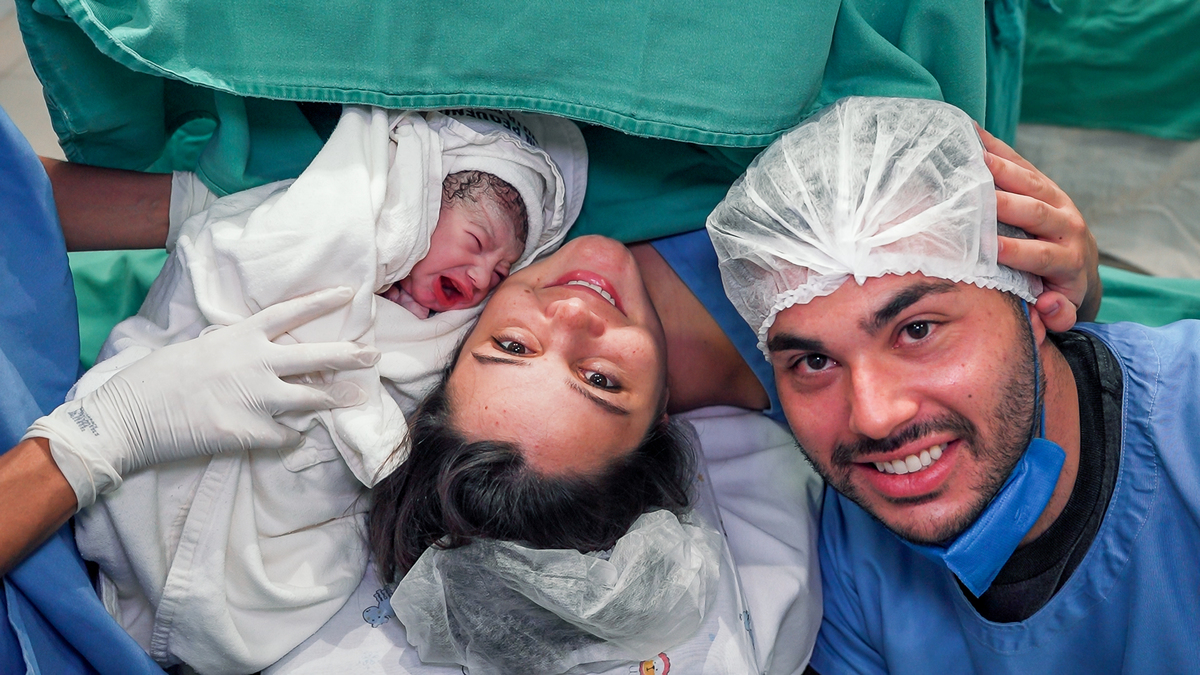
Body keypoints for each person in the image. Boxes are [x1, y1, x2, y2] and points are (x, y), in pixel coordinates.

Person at [27, 106, 587, 674]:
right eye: (475, 240)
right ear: (413, 200)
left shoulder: (441, 337)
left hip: (269, 536)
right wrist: (112, 429)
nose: (481, 275)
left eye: (500, 273)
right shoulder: (314, 226)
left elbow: (405, 419)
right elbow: (237, 265)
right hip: (153, 434)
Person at [705, 95, 1200, 673]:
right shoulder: (848, 564)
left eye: (917, 330)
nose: (874, 417)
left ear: (1034, 300)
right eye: (815, 362)